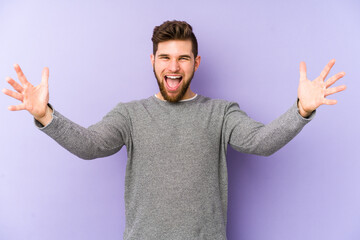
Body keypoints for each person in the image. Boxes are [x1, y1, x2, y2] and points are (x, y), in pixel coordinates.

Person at [2, 20, 346, 240]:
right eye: (165, 57)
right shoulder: (130, 114)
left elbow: (260, 142)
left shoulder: (221, 112)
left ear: (196, 63)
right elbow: (91, 145)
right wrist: (45, 114)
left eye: (183, 58)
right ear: (152, 61)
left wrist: (302, 109)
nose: (173, 66)